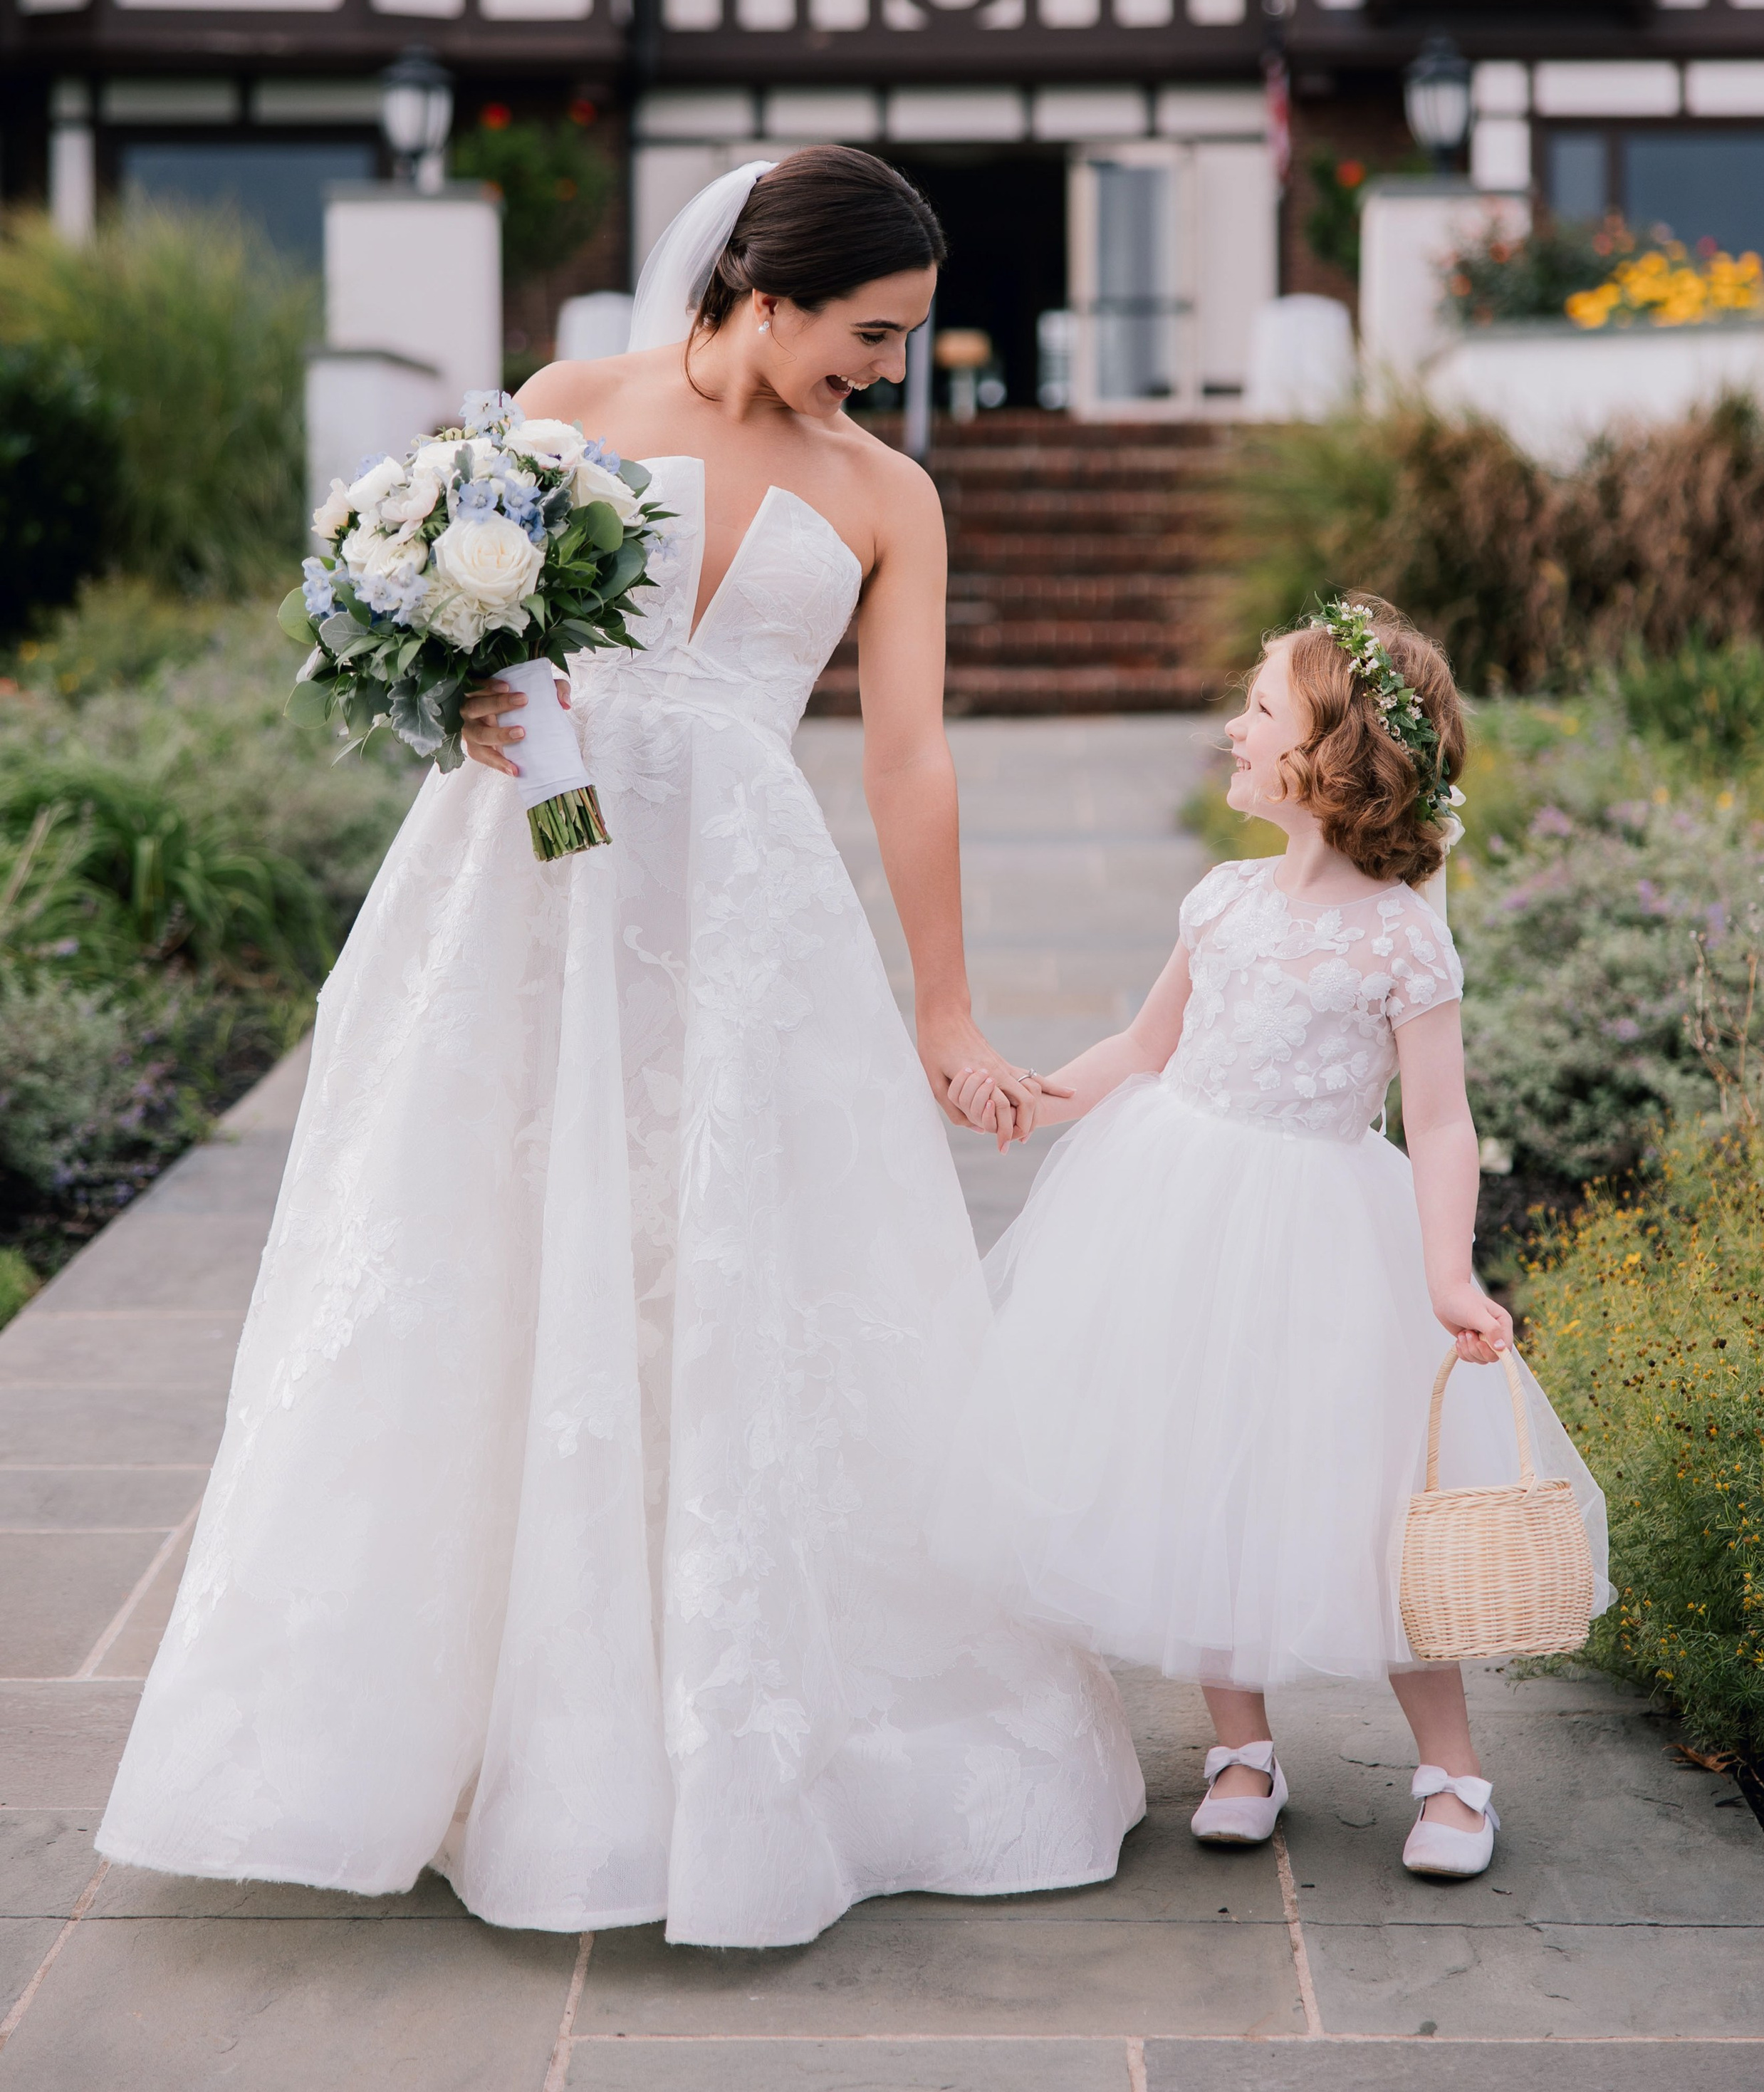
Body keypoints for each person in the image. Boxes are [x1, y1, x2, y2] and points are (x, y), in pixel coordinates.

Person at [98, 146, 1143, 1946]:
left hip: (744, 915)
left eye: (900, 344)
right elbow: (440, 626)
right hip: (525, 887)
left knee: (735, 1267)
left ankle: (742, 1720)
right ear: (765, 287)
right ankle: (454, 1719)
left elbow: (907, 757)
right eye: (869, 333)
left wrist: (945, 1002)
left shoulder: (891, 496)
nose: (885, 372)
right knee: (491, 1247)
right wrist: (472, 697)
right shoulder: (571, 405)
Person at [939, 598, 1609, 1882]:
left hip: (1317, 1230)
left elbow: (1442, 1118)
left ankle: (1452, 1771)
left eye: (1257, 711)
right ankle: (1239, 1747)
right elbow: (1146, 1049)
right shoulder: (1223, 901)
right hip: (1175, 1204)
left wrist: (1447, 1270)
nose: (1230, 729)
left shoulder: (1404, 933)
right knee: (1194, 1467)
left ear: (1333, 758)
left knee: (1367, 1493)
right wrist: (1039, 1091)